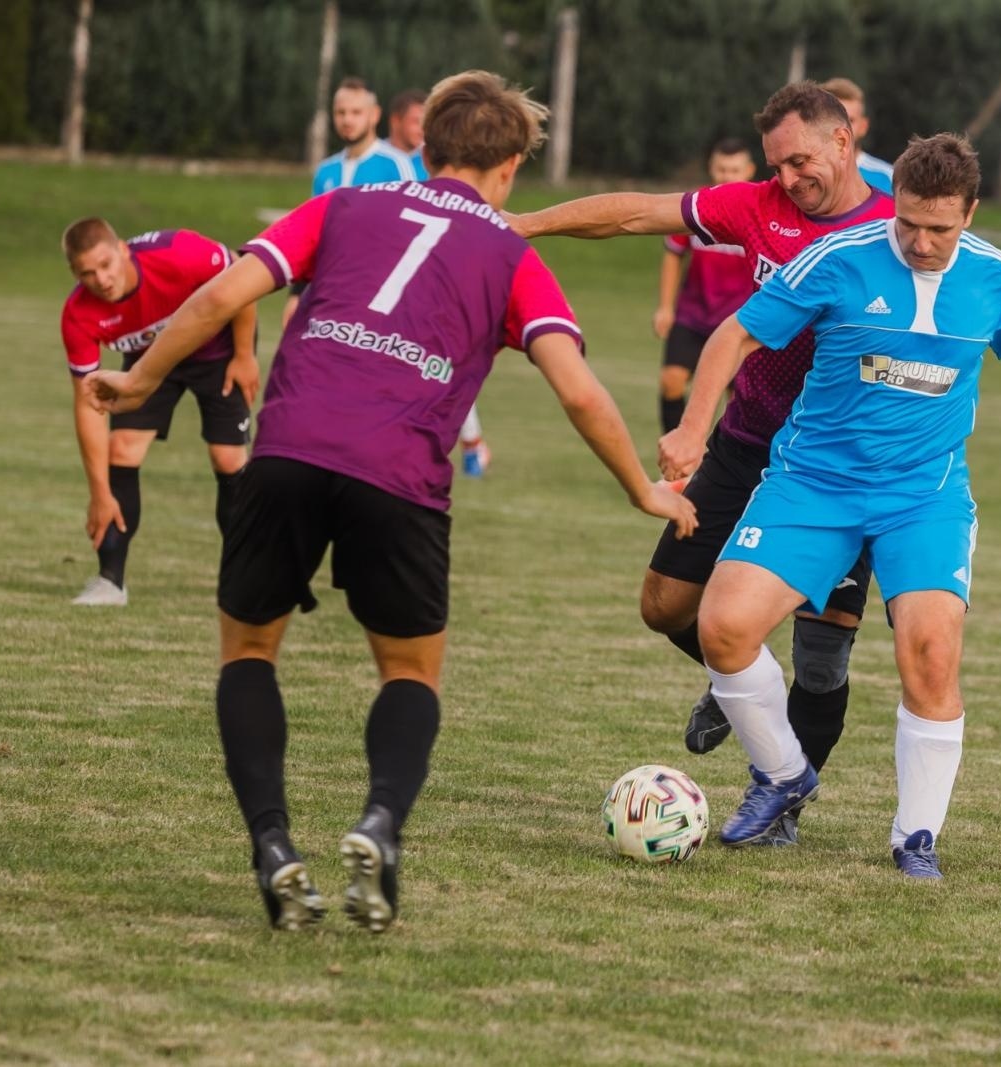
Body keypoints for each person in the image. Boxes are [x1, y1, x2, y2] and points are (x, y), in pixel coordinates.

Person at [85, 70, 696, 932]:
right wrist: (644, 487)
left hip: (288, 451)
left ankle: (271, 844)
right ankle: (379, 824)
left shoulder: (342, 209)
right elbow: (581, 392)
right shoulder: (513, 256)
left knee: (248, 654)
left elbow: (222, 295)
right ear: (512, 166)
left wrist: (140, 374)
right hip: (398, 478)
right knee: (409, 672)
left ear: (425, 147)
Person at [660, 132, 1001, 876]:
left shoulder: (995, 277)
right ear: (894, 202)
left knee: (930, 657)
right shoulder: (839, 259)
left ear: (970, 212)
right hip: (813, 485)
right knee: (722, 627)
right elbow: (736, 336)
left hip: (922, 500)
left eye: (941, 227)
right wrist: (689, 426)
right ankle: (782, 774)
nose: (922, 241)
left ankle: (916, 836)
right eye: (909, 222)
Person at [509, 82, 892, 846]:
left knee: (820, 656)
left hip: (837, 468)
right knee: (664, 606)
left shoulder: (893, 229)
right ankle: (741, 675)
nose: (786, 178)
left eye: (801, 161)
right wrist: (522, 224)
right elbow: (635, 211)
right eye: (776, 165)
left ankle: (783, 798)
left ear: (845, 142)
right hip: (746, 441)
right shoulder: (755, 207)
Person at [59, 218, 258, 606]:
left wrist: (245, 355)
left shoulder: (178, 253)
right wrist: (99, 492)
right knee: (122, 449)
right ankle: (110, 582)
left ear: (122, 249)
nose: (100, 279)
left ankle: (245, 580)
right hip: (150, 364)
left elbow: (244, 276)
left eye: (105, 264)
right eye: (87, 273)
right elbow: (88, 404)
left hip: (217, 353)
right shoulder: (78, 315)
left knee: (228, 458)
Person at [388, 85, 491, 476]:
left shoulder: (433, 167)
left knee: (442, 360)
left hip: (431, 281)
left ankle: (469, 443)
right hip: (393, 284)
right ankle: (466, 443)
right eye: (416, 121)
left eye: (424, 122)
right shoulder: (387, 163)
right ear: (396, 121)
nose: (420, 130)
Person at [281, 77, 416, 331]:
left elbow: (409, 234)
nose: (347, 120)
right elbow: (314, 236)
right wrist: (296, 294)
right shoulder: (326, 170)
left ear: (374, 115)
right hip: (329, 290)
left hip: (378, 293)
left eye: (356, 112)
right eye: (340, 112)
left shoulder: (396, 165)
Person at [652, 138, 756, 434]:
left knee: (736, 400)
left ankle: (716, 466)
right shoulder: (695, 208)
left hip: (739, 322)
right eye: (721, 169)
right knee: (671, 381)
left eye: (734, 169)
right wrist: (664, 308)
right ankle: (676, 462)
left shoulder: (756, 213)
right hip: (693, 314)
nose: (727, 176)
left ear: (748, 171)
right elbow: (673, 254)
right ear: (711, 169)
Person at [822, 78, 893, 195]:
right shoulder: (801, 179)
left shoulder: (889, 179)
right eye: (834, 119)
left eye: (850, 120)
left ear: (863, 127)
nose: (842, 129)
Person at [386, 87, 430, 178]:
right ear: (395, 121)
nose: (422, 130)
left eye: (426, 123)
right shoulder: (373, 158)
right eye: (416, 122)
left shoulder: (431, 162)